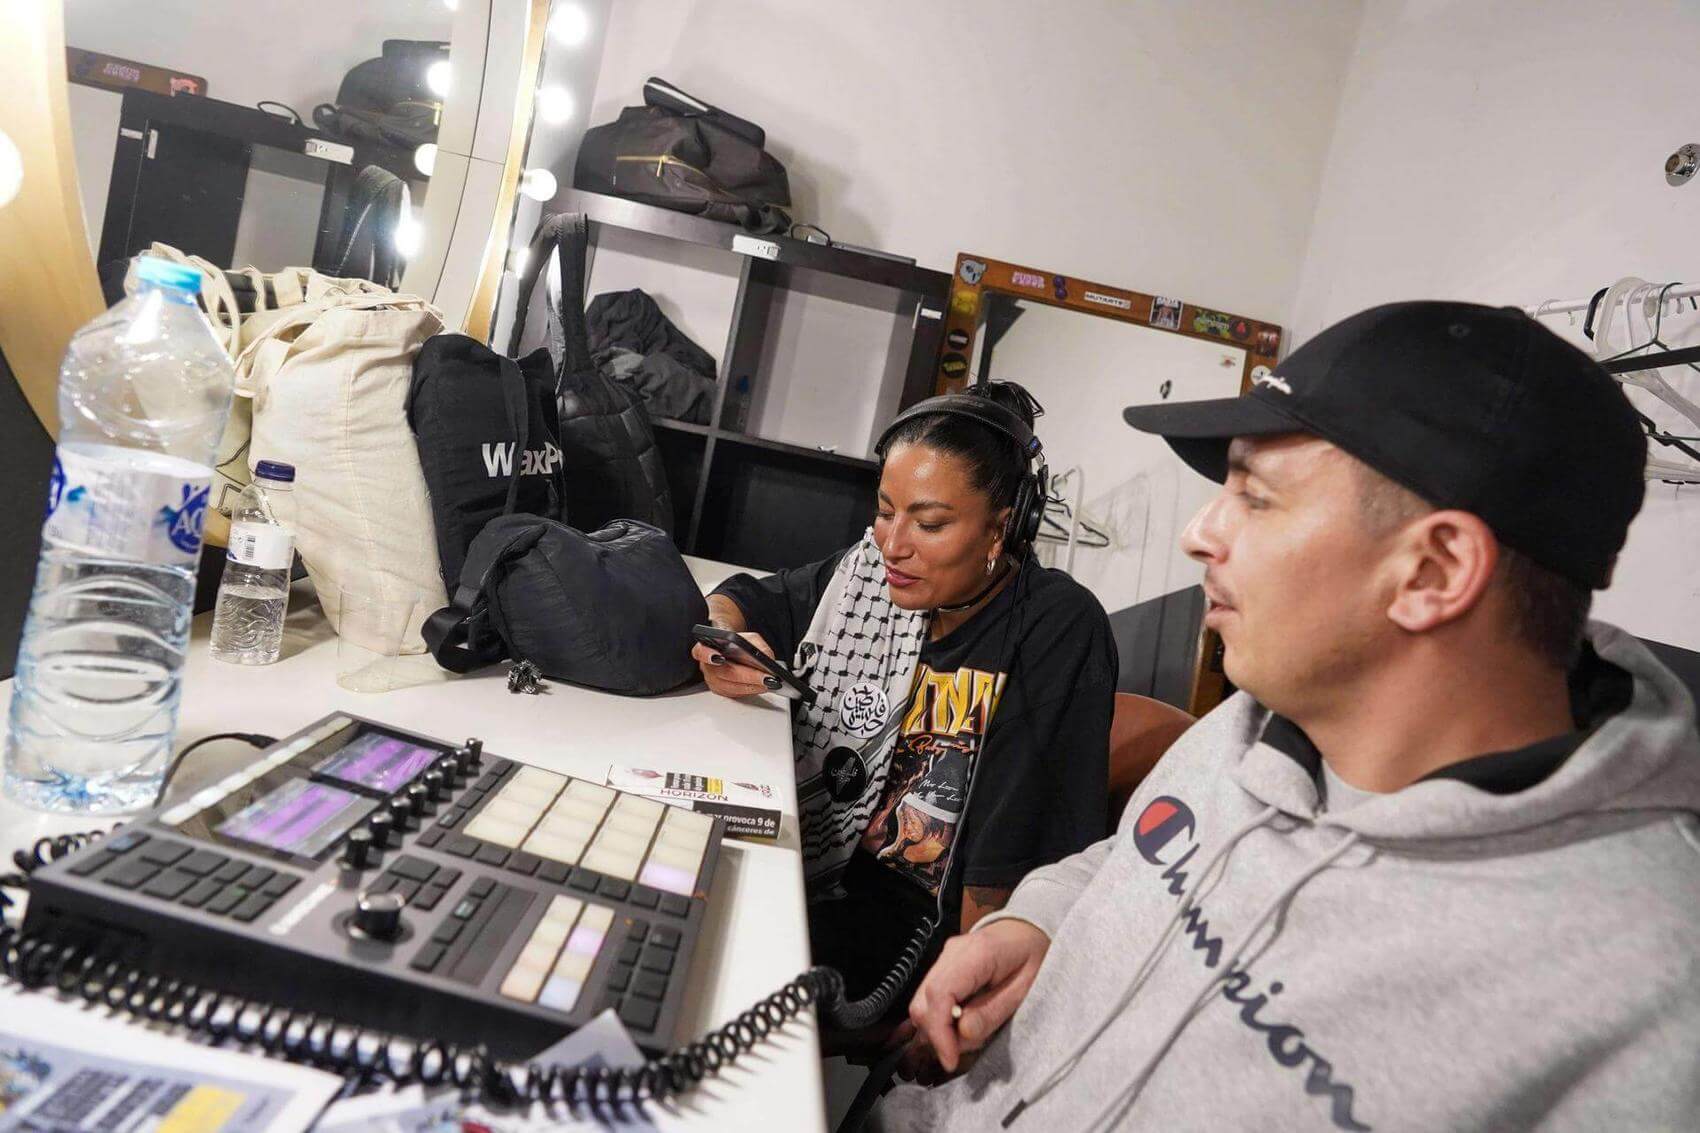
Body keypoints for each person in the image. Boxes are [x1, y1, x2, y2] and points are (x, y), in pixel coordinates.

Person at [874, 302, 1700, 1130]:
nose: (1199, 533)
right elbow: (1135, 855)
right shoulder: (1242, 731)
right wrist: (1039, 921)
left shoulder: (1653, 997)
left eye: (1257, 497)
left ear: (1435, 570)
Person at [695, 381, 1117, 1026]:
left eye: (930, 523)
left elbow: (1012, 863)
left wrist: (970, 1009)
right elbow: (744, 600)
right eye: (885, 511)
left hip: (915, 930)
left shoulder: (1056, 626)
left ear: (1004, 527)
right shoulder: (867, 574)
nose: (893, 544)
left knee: (705, 977)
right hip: (813, 869)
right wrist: (722, 640)